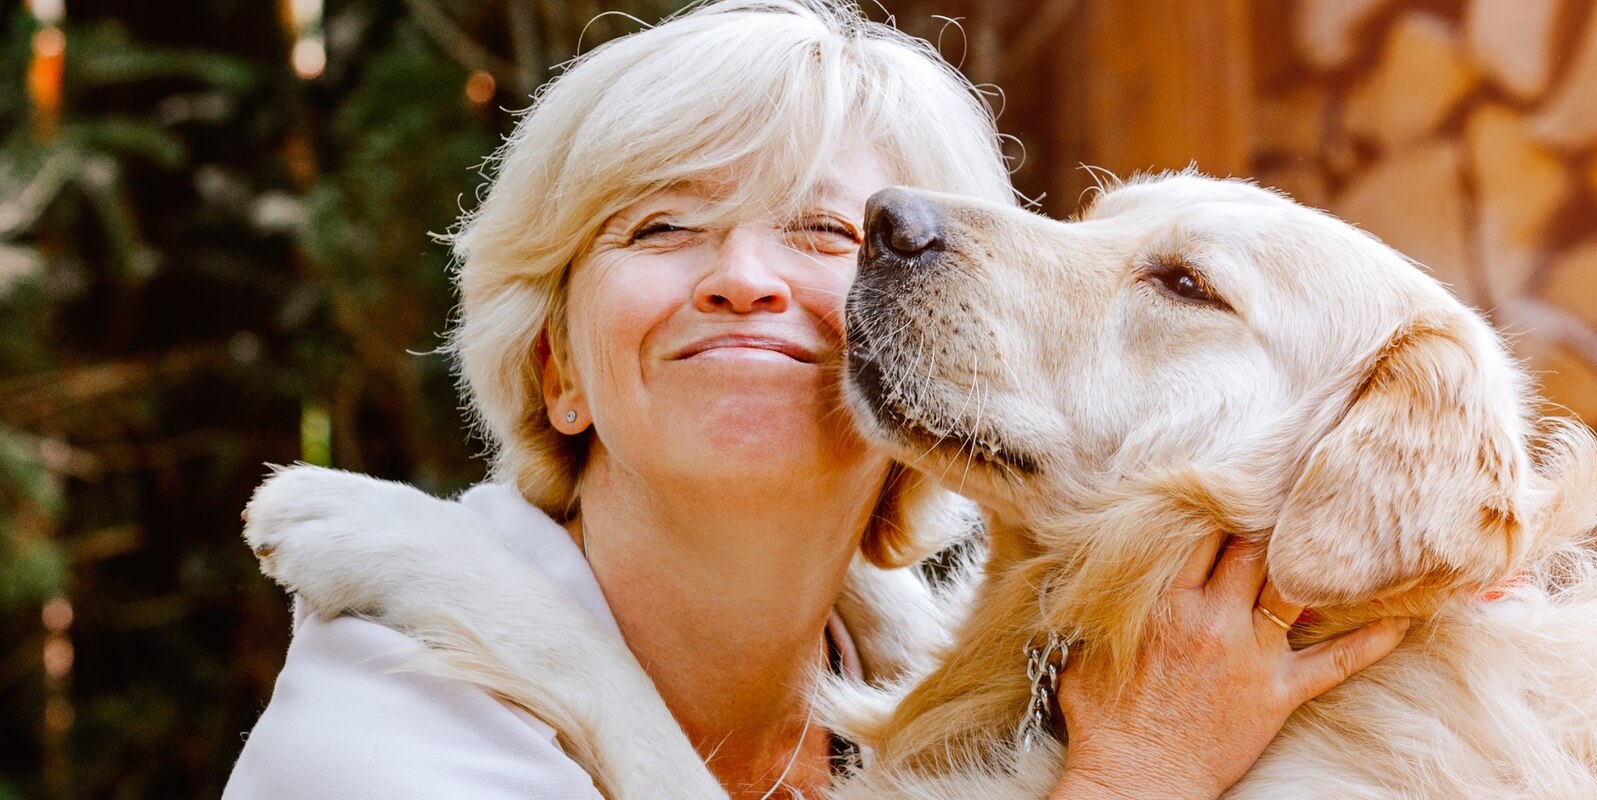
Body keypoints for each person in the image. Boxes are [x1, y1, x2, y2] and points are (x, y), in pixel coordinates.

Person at [220, 2, 1406, 798]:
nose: (742, 279)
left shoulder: (942, 678)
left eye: (832, 233)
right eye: (664, 225)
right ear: (557, 369)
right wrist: (1140, 771)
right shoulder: (383, 726)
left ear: (931, 357)